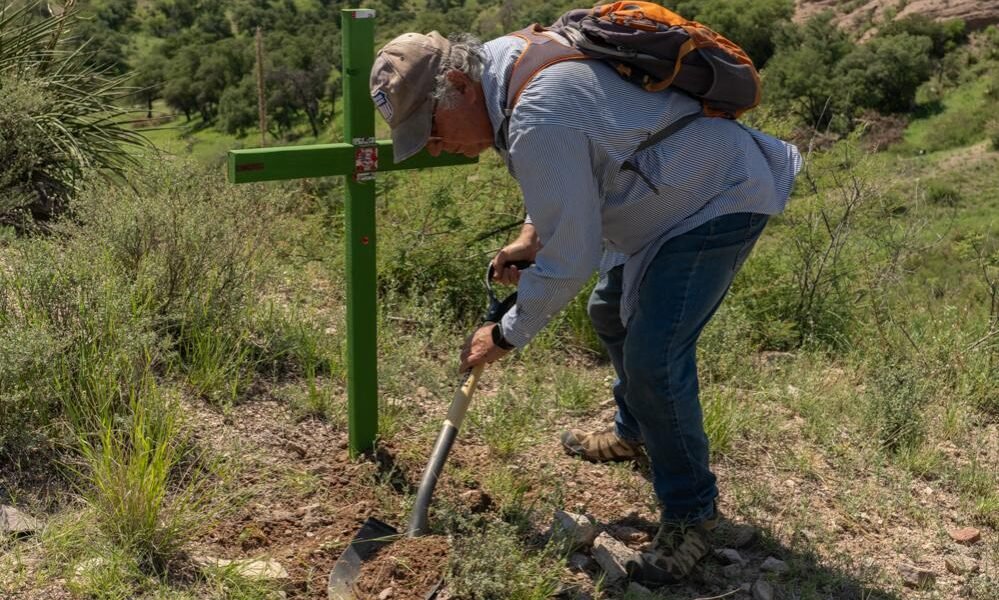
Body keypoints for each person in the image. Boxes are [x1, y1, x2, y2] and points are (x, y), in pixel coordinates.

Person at [370, 28, 801, 585]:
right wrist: (532, 237)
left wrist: (502, 334)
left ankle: (693, 512)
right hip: (659, 199)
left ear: (456, 84)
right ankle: (636, 430)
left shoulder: (533, 114)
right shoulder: (504, 63)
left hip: (715, 197)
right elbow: (566, 166)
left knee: (654, 357)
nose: (432, 146)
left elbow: (570, 259)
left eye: (429, 128)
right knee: (608, 310)